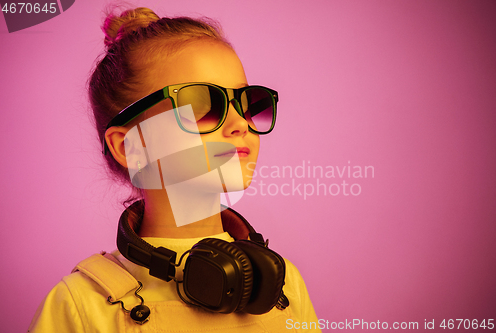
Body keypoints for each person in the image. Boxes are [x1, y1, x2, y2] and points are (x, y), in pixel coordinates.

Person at [28, 7, 320, 332]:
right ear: (130, 146)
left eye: (246, 103)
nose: (240, 123)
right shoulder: (78, 305)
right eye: (202, 105)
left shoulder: (283, 286)